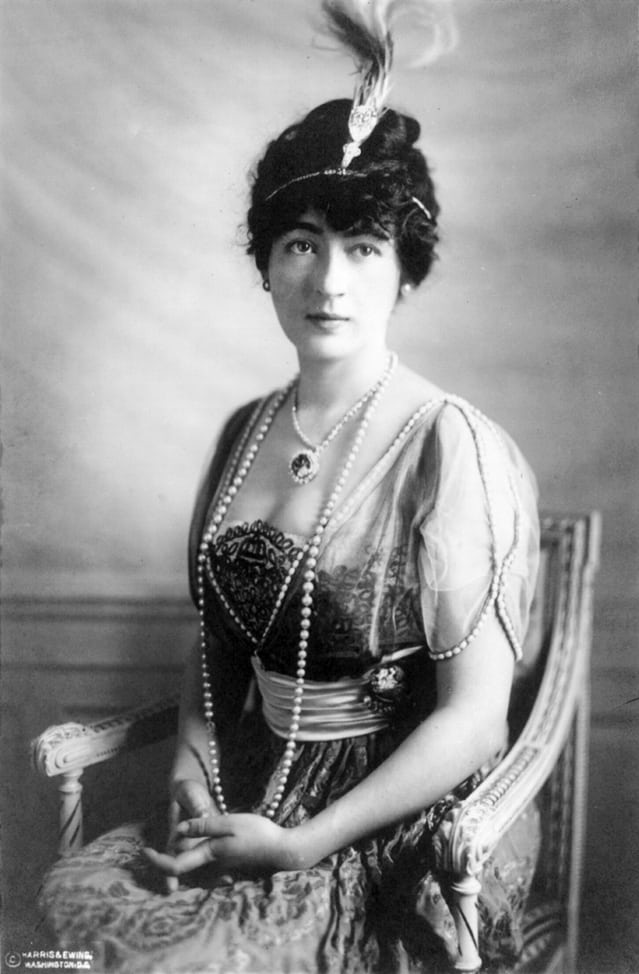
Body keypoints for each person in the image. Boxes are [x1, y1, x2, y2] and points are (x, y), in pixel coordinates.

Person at [39, 5, 541, 972]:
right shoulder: (245, 432)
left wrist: (306, 843)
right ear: (266, 263)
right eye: (302, 244)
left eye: (365, 249)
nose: (329, 282)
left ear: (404, 275)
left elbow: (474, 719)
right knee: (78, 918)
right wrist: (191, 763)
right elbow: (217, 646)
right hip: (251, 782)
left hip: (384, 818)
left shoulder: (448, 446)